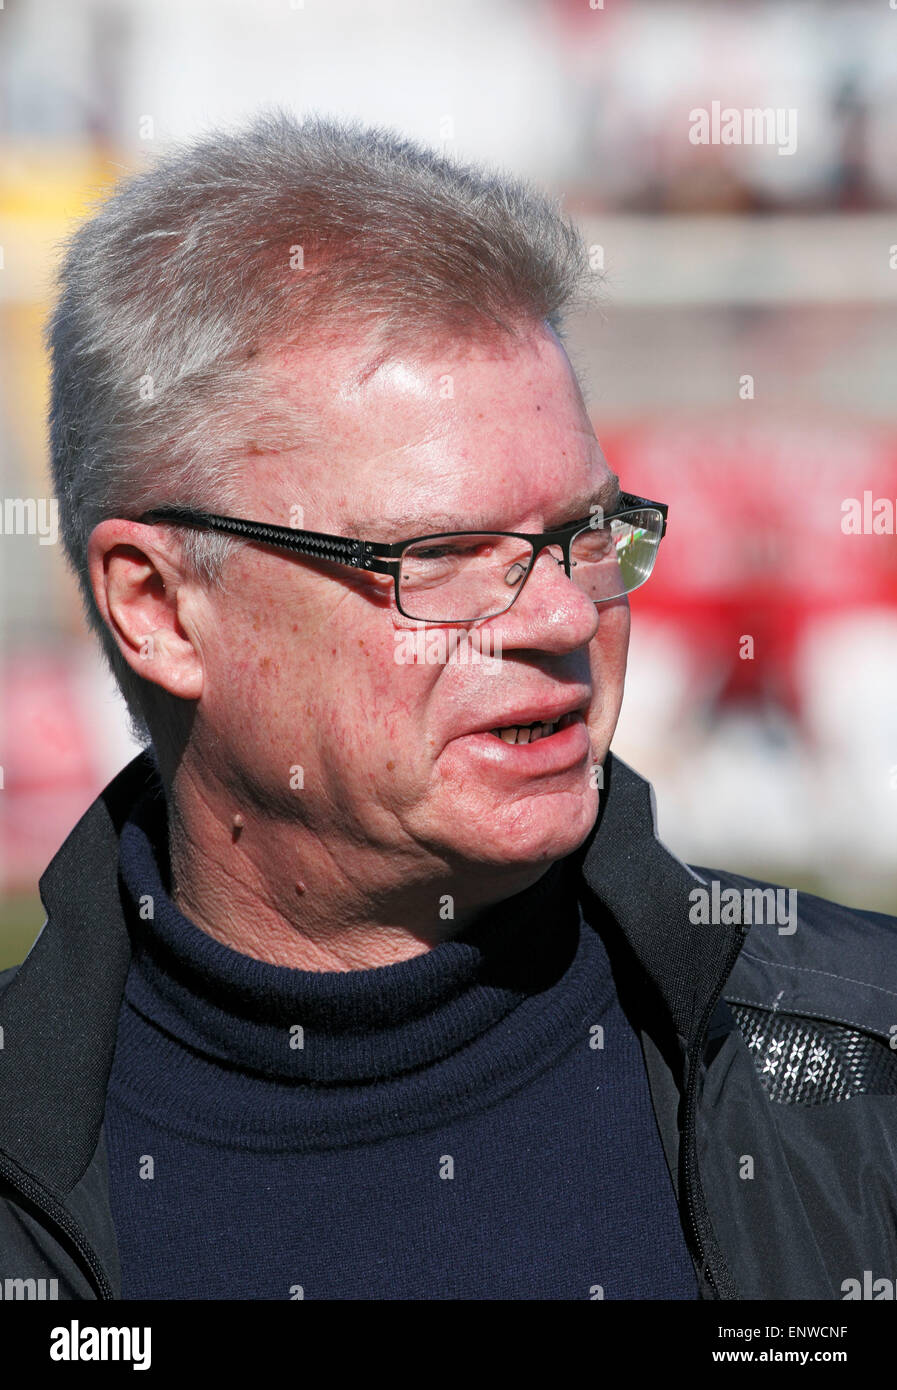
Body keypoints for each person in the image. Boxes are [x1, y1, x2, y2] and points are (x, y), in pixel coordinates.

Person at [1, 112, 895, 1302]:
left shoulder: (860, 1067)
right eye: (444, 552)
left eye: (585, 533)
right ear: (159, 607)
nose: (566, 617)